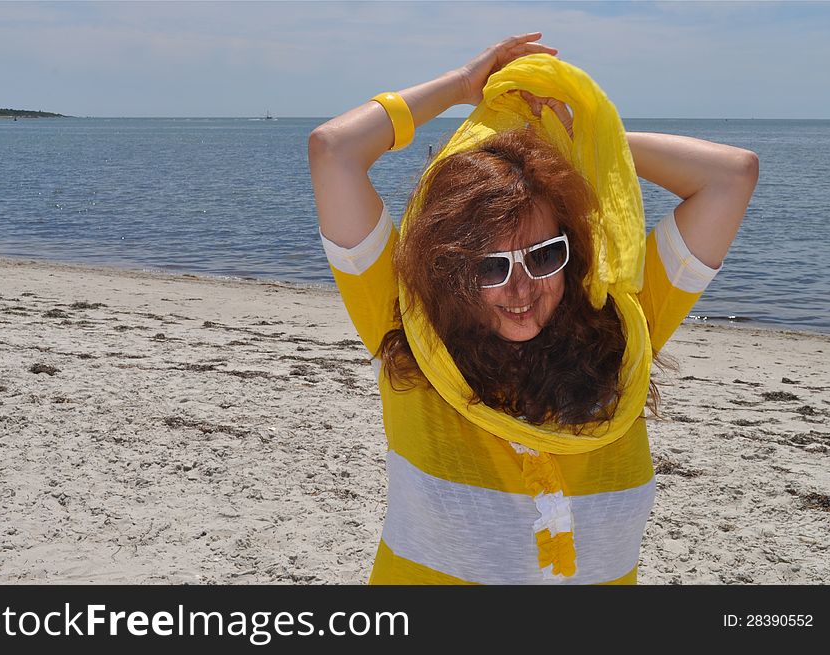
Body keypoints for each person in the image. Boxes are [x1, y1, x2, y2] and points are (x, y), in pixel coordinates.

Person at [308, 33, 758, 584]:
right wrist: (462, 85)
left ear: (571, 252)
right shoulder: (409, 327)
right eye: (489, 267)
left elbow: (731, 176)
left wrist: (575, 139)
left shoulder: (621, 333)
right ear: (449, 269)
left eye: (544, 255)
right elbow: (334, 152)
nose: (521, 290)